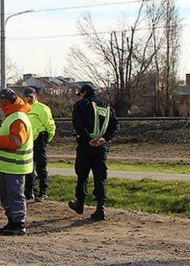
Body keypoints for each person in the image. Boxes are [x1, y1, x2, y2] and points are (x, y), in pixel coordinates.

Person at [68, 84, 120, 221]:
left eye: (80, 94)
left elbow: (77, 125)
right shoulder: (107, 106)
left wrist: (88, 139)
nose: (80, 96)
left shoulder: (81, 105)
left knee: (82, 175)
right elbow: (115, 125)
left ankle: (79, 204)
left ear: (84, 92)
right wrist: (105, 138)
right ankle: (100, 208)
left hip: (85, 146)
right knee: (100, 177)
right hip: (102, 147)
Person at [0, 88, 33, 236]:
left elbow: (17, 141)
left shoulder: (17, 117)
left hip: (15, 165)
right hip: (9, 165)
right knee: (7, 195)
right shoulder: (13, 115)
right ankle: (12, 221)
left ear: (6, 101)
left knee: (15, 195)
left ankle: (18, 224)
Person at [23, 86, 56, 202]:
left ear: (36, 96)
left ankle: (43, 192)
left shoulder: (42, 108)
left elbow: (50, 125)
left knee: (41, 166)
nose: (29, 99)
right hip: (27, 140)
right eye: (26, 97)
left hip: (39, 139)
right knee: (28, 167)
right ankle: (29, 191)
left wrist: (47, 139)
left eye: (31, 96)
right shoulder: (23, 109)